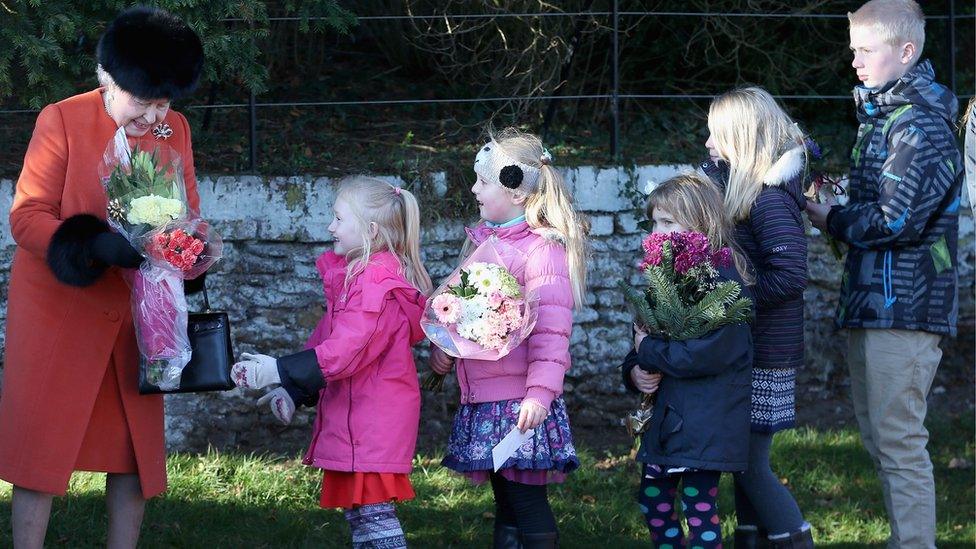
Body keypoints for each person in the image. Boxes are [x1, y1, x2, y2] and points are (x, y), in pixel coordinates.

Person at [0, 7, 204, 548]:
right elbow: (27, 217)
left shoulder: (174, 127)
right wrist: (90, 243)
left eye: (164, 101)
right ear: (107, 80)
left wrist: (193, 253)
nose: (155, 114)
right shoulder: (60, 118)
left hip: (139, 316)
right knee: (40, 447)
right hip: (58, 310)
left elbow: (188, 212)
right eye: (144, 100)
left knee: (132, 449)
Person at [805, 1, 963, 546]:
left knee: (898, 442)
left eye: (865, 50)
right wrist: (838, 204)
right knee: (882, 440)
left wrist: (831, 216)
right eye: (853, 49)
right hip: (875, 304)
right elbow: (883, 205)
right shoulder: (884, 117)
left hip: (907, 309)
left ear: (906, 51)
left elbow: (897, 219)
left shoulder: (919, 124)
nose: (854, 61)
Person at [231, 176, 431, 549]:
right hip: (360, 418)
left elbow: (347, 351)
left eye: (338, 219)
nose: (329, 227)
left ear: (370, 231)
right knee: (361, 515)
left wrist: (277, 369)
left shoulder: (375, 285)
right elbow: (326, 339)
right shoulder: (355, 279)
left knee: (373, 514)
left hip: (370, 423)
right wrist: (292, 388)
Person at [428, 128, 588, 548]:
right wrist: (445, 348)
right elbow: (461, 310)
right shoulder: (486, 242)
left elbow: (552, 334)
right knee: (507, 502)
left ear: (517, 191)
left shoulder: (541, 250)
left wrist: (539, 394)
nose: (474, 188)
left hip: (518, 405)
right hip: (489, 398)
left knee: (526, 503)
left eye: (484, 181)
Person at [700, 87, 814, 547]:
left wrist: (732, 302)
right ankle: (751, 538)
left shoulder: (769, 200)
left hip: (766, 351)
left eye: (716, 136)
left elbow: (790, 275)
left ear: (743, 139)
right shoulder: (747, 193)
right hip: (751, 348)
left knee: (749, 460)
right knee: (742, 456)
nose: (707, 144)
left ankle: (795, 539)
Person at [620, 173, 753, 548]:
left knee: (699, 508)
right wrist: (635, 371)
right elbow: (642, 337)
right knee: (654, 502)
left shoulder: (722, 282)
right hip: (669, 420)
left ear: (700, 223)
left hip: (705, 421)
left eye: (667, 222)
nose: (655, 232)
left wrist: (648, 352)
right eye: (653, 222)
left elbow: (706, 354)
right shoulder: (666, 277)